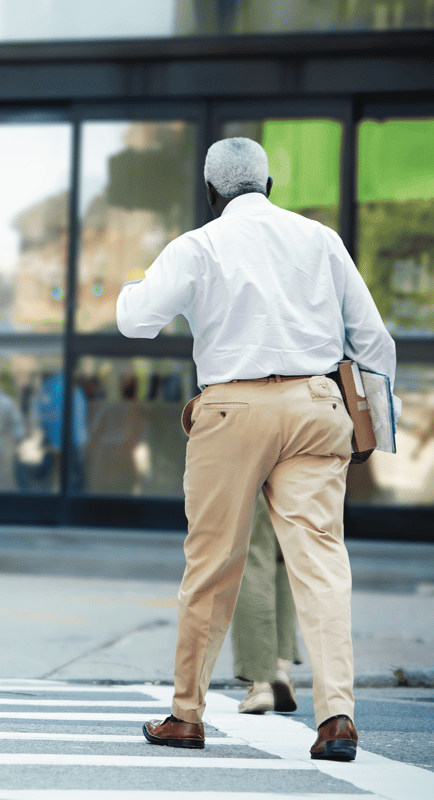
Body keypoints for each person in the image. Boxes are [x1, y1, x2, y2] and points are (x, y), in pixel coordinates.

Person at [118, 137, 398, 761]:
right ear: (269, 187)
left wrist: (136, 283)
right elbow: (373, 339)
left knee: (212, 564)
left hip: (231, 409)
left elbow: (136, 319)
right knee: (321, 566)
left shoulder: (198, 244)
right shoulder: (320, 240)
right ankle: (338, 720)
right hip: (314, 406)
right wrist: (375, 427)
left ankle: (186, 715)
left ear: (212, 193)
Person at [231, 490, 301, 715]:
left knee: (253, 554)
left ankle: (260, 682)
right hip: (300, 458)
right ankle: (281, 667)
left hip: (251, 456)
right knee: (287, 554)